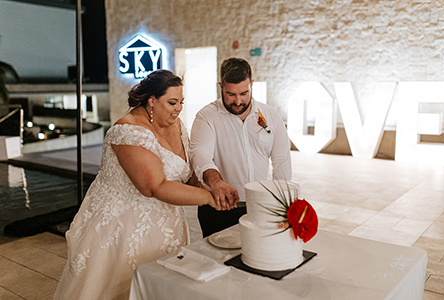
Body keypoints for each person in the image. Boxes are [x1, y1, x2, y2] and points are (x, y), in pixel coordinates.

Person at [53, 70, 234, 300]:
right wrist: (208, 199)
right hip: (122, 229)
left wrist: (212, 186)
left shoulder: (176, 125)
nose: (178, 108)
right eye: (172, 102)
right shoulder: (127, 132)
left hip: (166, 225)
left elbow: (186, 172)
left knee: (158, 286)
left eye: (181, 102)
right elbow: (153, 186)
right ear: (152, 100)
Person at [190, 57, 292, 238]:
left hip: (260, 206)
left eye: (244, 93)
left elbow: (281, 160)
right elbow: (200, 153)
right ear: (220, 86)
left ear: (252, 84)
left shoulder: (270, 115)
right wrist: (215, 182)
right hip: (218, 207)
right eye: (230, 94)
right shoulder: (206, 116)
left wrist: (283, 202)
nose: (238, 101)